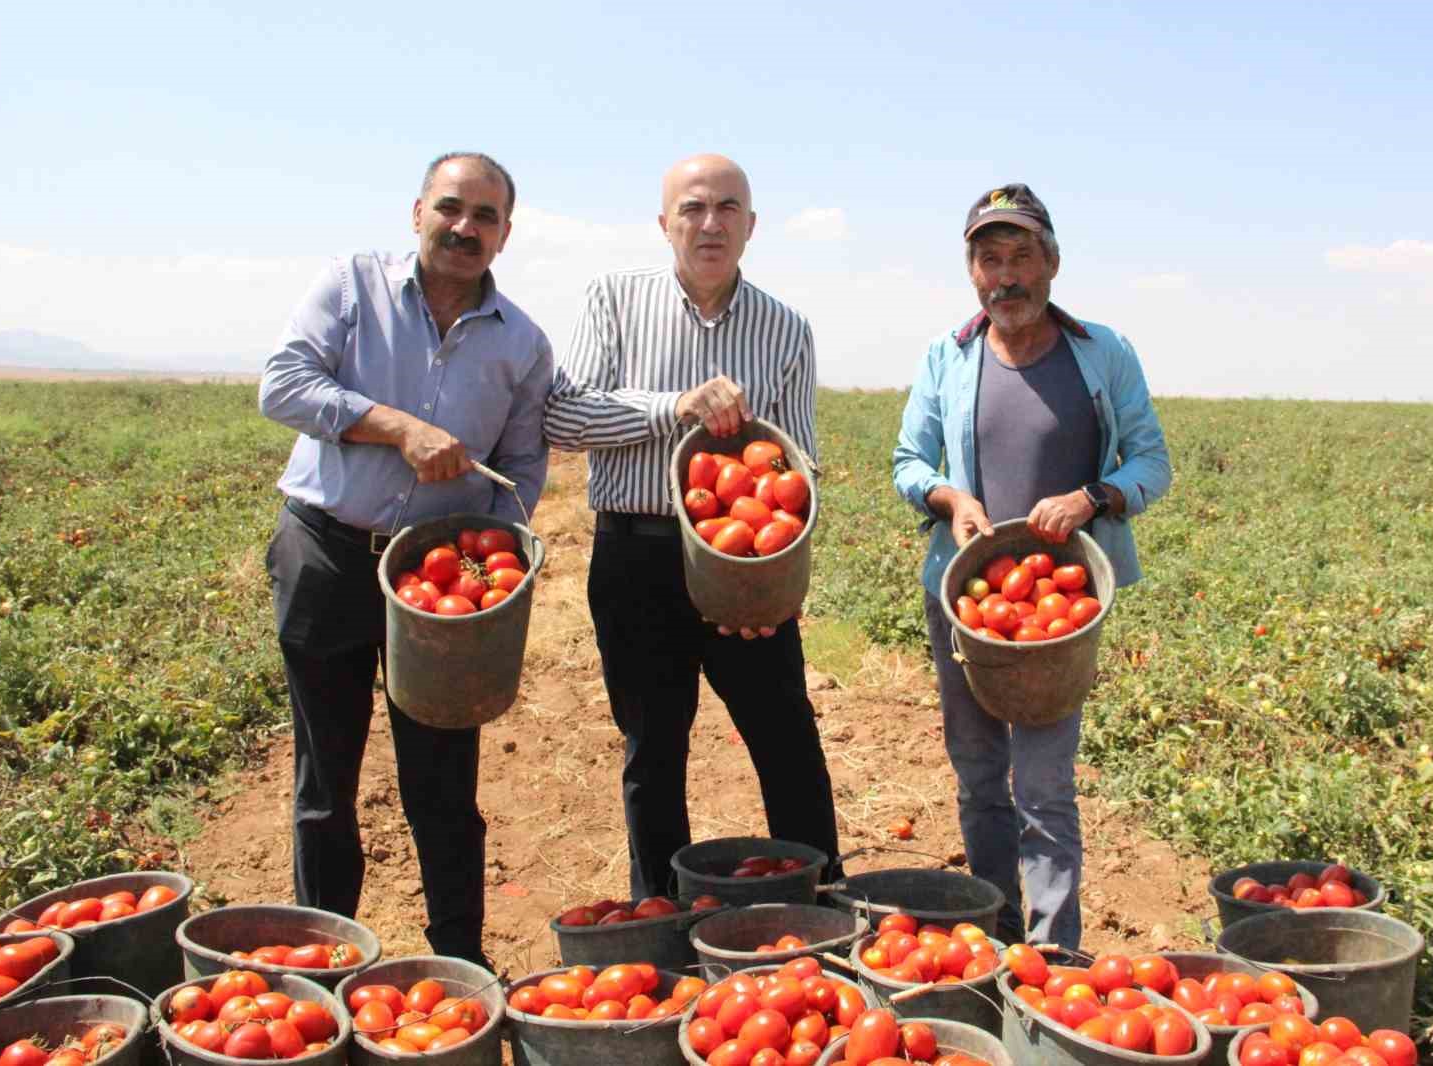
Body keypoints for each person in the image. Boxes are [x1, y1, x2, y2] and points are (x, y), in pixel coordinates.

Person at [259, 152, 551, 962]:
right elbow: (281, 385)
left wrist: (493, 564)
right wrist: (394, 426)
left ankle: (459, 959)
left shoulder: (522, 343)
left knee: (443, 780)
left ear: (505, 235)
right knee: (326, 779)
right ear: (416, 211)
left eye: (485, 217)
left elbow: (523, 468)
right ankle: (323, 953)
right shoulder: (350, 287)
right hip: (327, 552)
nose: (465, 228)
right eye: (450, 208)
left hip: (437, 580)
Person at [544, 153, 840, 900]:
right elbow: (565, 417)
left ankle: (822, 901)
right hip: (635, 557)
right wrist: (673, 405)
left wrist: (770, 582)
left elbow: (796, 470)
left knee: (787, 739)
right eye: (693, 208)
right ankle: (663, 914)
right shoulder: (613, 300)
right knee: (653, 750)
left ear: (751, 224)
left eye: (728, 208)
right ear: (664, 222)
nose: (711, 223)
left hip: (741, 555)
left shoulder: (784, 328)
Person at [891, 183, 1172, 947]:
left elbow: (1152, 461)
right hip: (966, 599)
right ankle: (993, 931)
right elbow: (908, 462)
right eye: (989, 258)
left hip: (1063, 603)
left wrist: (1095, 496)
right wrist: (949, 497)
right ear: (971, 270)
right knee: (979, 776)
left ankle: (1052, 954)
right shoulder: (946, 356)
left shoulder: (1101, 353)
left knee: (1044, 787)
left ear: (1052, 262)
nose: (1005, 275)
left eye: (1021, 255)